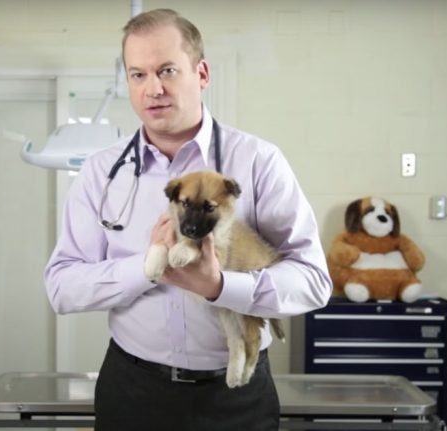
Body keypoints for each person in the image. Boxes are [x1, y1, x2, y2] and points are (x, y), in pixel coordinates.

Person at [44, 8, 332, 431]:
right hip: (133, 390)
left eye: (167, 70)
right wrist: (150, 269)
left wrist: (220, 287)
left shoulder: (257, 162)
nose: (153, 88)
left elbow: (312, 281)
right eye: (137, 74)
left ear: (202, 73)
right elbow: (61, 288)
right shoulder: (101, 172)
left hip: (235, 396)